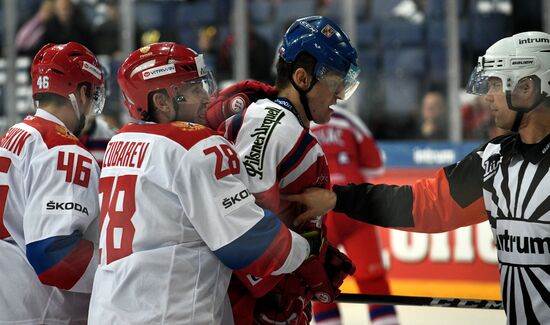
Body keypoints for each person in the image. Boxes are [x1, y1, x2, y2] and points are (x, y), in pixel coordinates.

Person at [285, 31, 550, 324]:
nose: (487, 95)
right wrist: (337, 198)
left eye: (497, 83)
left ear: (527, 87)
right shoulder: (493, 160)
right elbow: (424, 204)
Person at [87, 42, 312, 324]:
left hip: (108, 311)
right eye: (194, 89)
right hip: (168, 314)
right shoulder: (196, 145)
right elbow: (249, 243)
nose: (207, 98)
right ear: (162, 102)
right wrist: (308, 251)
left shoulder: (118, 142)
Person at [212, 15, 359, 325]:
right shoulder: (274, 128)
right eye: (334, 83)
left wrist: (314, 253)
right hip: (256, 309)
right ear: (302, 78)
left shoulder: (278, 124)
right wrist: (295, 280)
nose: (339, 95)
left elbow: (277, 216)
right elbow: (242, 226)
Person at [0, 42, 105, 323]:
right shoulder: (63, 149)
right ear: (82, 93)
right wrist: (121, 265)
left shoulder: (14, 134)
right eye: (93, 94)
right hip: (40, 309)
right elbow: (53, 255)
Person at [310, 105, 399, 325]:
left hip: (316, 213)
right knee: (373, 281)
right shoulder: (347, 119)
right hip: (354, 209)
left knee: (320, 283)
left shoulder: (290, 123)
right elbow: (376, 165)